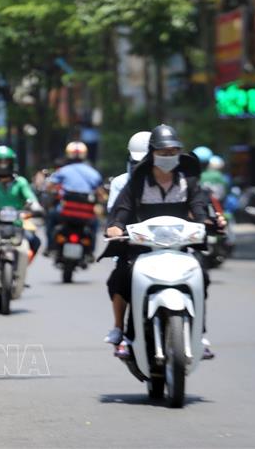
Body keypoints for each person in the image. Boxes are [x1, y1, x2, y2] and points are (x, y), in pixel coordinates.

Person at [104, 124, 226, 358]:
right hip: (142, 248)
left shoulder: (187, 182)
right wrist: (115, 228)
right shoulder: (137, 182)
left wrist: (212, 223)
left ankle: (199, 333)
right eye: (163, 152)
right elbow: (120, 212)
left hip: (179, 246)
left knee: (201, 273)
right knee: (122, 275)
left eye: (173, 152)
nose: (168, 157)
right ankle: (128, 336)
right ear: (152, 154)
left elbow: (200, 210)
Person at [44, 141, 103, 254]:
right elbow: (100, 194)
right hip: (86, 215)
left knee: (51, 217)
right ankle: (91, 251)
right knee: (95, 224)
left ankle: (50, 246)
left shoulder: (63, 171)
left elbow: (49, 187)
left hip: (65, 213)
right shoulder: (93, 173)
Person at [107, 131, 151, 212]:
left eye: (146, 163)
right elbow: (114, 213)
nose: (141, 166)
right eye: (136, 162)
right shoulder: (120, 182)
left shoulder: (167, 182)